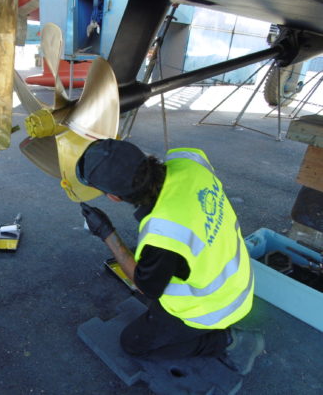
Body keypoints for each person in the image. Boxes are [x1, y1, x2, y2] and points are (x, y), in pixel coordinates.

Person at [76, 138, 264, 375]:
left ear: (114, 197)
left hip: (215, 306)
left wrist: (107, 233)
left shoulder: (165, 234)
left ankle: (229, 340)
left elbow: (146, 287)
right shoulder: (189, 161)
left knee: (133, 344)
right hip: (238, 279)